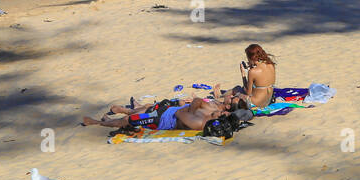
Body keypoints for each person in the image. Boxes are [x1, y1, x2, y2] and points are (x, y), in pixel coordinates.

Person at [84, 94, 228, 132]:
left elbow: (181, 114)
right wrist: (192, 107)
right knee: (148, 106)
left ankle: (98, 122)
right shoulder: (210, 113)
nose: (220, 113)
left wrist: (191, 108)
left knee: (129, 120)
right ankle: (109, 119)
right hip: (164, 111)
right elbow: (197, 100)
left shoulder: (199, 123)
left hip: (158, 119)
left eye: (221, 115)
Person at [232, 44, 277, 109]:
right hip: (268, 101)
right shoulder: (271, 65)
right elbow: (262, 79)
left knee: (236, 89)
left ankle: (218, 97)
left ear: (251, 58)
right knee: (240, 89)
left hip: (256, 103)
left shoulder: (252, 72)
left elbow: (248, 93)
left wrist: (243, 74)